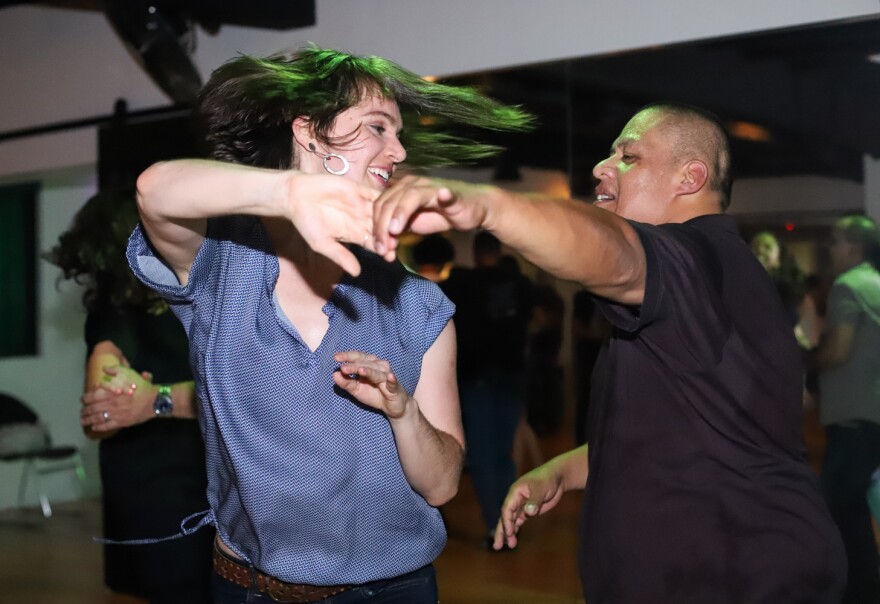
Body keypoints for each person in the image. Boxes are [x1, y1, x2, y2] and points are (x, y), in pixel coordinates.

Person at [370, 102, 846, 603]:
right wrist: (563, 470)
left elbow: (618, 257)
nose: (602, 165)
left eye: (629, 156)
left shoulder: (702, 255)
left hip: (738, 577)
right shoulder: (702, 290)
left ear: (690, 178)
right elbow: (677, 433)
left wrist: (488, 207)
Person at [126, 46, 531, 603]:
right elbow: (155, 190)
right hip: (246, 589)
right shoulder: (219, 264)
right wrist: (290, 193)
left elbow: (440, 484)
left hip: (389, 592)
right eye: (378, 127)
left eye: (398, 132)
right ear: (310, 133)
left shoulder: (418, 305)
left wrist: (403, 411)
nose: (400, 149)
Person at [47, 189, 213, 604]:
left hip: (176, 479)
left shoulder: (190, 295)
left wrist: (146, 400)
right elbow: (101, 410)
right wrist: (122, 402)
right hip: (165, 485)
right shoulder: (118, 311)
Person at [438, 232, 533, 549]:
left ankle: (497, 525)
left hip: (477, 377)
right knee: (503, 454)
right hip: (511, 374)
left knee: (482, 456)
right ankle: (510, 521)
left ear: (477, 252)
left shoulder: (462, 285)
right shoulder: (520, 285)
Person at [807, 215, 880, 604]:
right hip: (873, 418)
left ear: (853, 247)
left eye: (834, 241)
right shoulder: (877, 285)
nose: (829, 248)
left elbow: (837, 351)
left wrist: (804, 362)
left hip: (853, 421)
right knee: (852, 513)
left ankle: (858, 594)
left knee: (838, 515)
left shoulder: (848, 287)